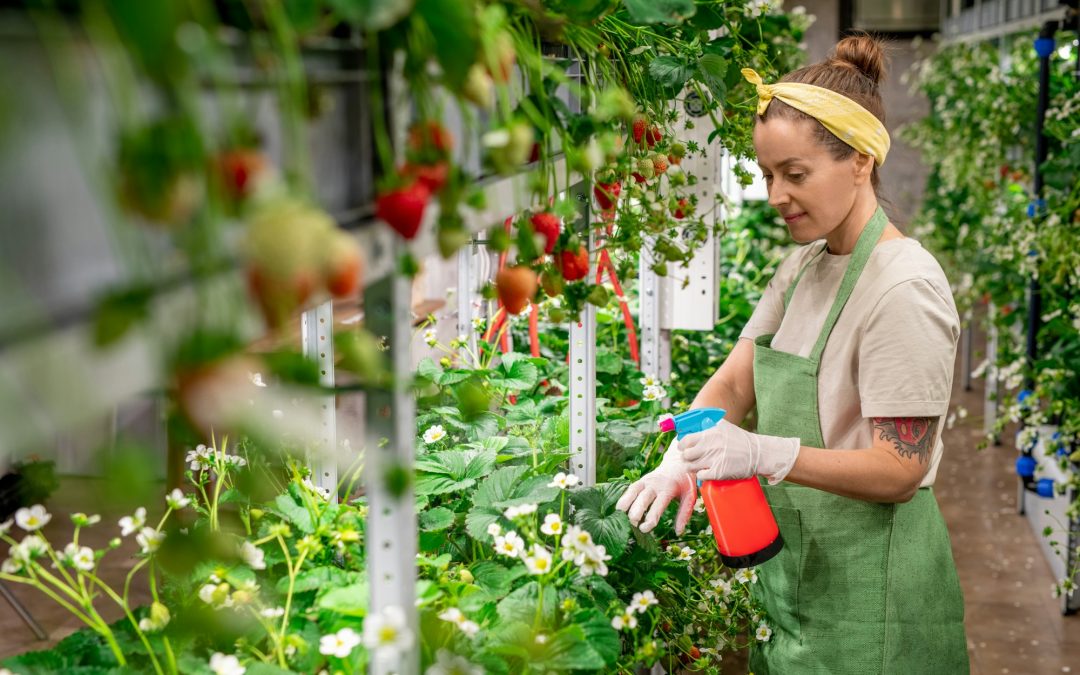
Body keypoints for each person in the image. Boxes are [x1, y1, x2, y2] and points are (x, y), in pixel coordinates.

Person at [616, 34, 969, 674]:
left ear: (861, 161)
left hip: (873, 603)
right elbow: (731, 384)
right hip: (799, 578)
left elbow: (900, 470)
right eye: (768, 174)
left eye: (796, 174)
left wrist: (763, 453)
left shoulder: (902, 289)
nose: (777, 195)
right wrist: (682, 457)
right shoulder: (805, 266)